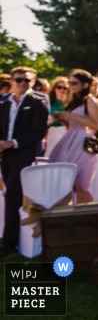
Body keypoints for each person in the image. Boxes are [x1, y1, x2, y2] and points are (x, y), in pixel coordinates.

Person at [0, 67, 49, 257]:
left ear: (32, 82)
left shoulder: (38, 102)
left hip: (23, 154)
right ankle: (17, 238)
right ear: (12, 81)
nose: (22, 83)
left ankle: (9, 244)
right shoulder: (4, 103)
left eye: (26, 80)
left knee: (12, 195)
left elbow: (38, 132)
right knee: (10, 195)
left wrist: (13, 142)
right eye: (19, 80)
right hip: (6, 155)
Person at [48, 70, 98, 204]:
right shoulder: (72, 101)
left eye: (74, 83)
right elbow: (69, 126)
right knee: (67, 182)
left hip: (83, 142)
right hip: (70, 139)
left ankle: (91, 216)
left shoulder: (90, 100)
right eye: (69, 82)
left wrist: (70, 116)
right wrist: (61, 118)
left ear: (85, 85)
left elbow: (96, 124)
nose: (70, 85)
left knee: (80, 184)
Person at [45, 76, 69, 157]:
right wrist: (50, 120)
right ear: (54, 88)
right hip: (52, 131)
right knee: (51, 155)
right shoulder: (47, 101)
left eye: (65, 88)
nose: (62, 90)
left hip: (66, 131)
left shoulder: (70, 103)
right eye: (59, 87)